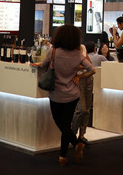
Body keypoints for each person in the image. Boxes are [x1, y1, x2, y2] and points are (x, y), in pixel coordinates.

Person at [38, 25, 93, 166]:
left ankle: (72, 147)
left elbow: (43, 65)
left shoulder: (53, 52)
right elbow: (92, 69)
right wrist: (79, 76)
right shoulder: (78, 55)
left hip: (56, 94)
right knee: (66, 124)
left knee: (62, 125)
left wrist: (36, 64)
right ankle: (64, 154)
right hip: (72, 95)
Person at [71, 44, 95, 145]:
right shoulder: (69, 49)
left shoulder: (82, 47)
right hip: (78, 80)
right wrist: (82, 66)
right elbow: (73, 66)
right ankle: (71, 135)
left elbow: (89, 64)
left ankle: (82, 135)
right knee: (81, 110)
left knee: (87, 109)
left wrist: (82, 66)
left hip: (88, 78)